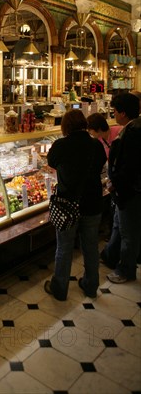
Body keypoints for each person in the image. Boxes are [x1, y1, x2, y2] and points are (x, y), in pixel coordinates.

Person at [44, 109, 107, 300]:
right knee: (90, 246)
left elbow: (51, 162)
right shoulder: (96, 145)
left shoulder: (61, 144)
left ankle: (60, 287)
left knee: (64, 246)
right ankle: (90, 285)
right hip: (93, 202)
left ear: (65, 126)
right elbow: (101, 163)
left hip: (67, 203)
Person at [100, 92, 141, 283]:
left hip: (130, 192)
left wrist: (115, 183)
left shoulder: (133, 133)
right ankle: (111, 256)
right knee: (121, 226)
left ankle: (126, 271)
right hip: (129, 190)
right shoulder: (134, 127)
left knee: (128, 233)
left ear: (123, 113)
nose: (113, 114)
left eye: (115, 111)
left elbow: (129, 166)